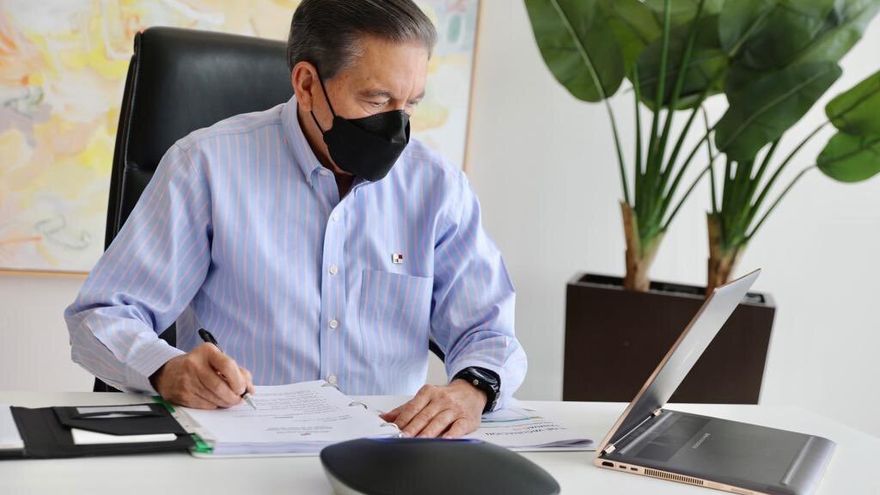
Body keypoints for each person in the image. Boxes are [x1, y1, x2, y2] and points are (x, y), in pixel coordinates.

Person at [65, 0, 526, 439]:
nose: (396, 127)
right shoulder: (205, 166)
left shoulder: (437, 187)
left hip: (388, 455)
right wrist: (167, 369)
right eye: (377, 99)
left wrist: (472, 390)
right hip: (239, 451)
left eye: (409, 105)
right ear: (306, 84)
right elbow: (101, 316)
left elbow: (487, 331)